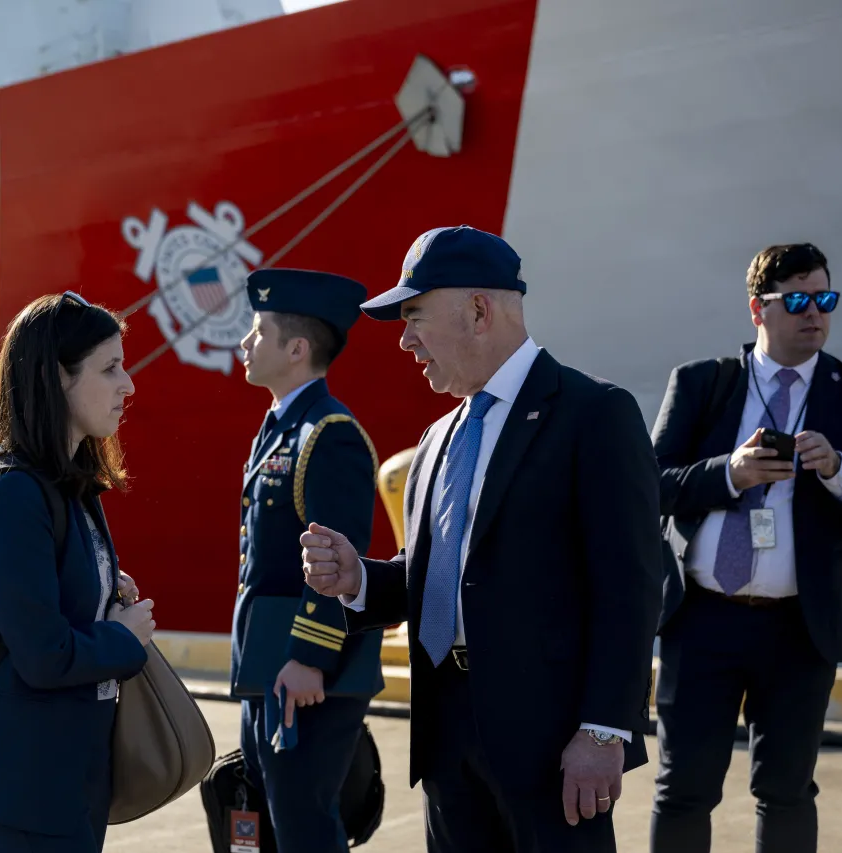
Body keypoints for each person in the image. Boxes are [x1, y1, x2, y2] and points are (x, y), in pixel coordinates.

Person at [299, 225, 664, 852]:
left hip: (552, 744)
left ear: (478, 310)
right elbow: (440, 570)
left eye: (414, 316)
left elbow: (630, 586)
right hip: (448, 733)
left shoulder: (593, 414)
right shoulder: (437, 437)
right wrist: (361, 579)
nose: (406, 340)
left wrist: (603, 731)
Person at [649, 242, 842, 853]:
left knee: (788, 791)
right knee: (684, 789)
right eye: (796, 299)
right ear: (757, 310)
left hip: (799, 626)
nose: (813, 312)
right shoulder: (702, 383)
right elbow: (648, 486)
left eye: (824, 298)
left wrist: (840, 470)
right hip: (703, 617)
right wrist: (729, 473)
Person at [0, 290, 156, 852]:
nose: (127, 384)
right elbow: (43, 655)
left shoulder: (65, 485)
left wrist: (103, 589)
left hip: (63, 765)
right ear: (56, 378)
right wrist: (123, 639)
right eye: (110, 368)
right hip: (22, 777)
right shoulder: (14, 493)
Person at [231, 268, 382, 852]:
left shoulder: (329, 433)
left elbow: (335, 561)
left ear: (296, 349)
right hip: (269, 665)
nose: (245, 343)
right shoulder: (282, 428)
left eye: (258, 330)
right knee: (279, 819)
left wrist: (309, 658)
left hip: (306, 673)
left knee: (305, 824)